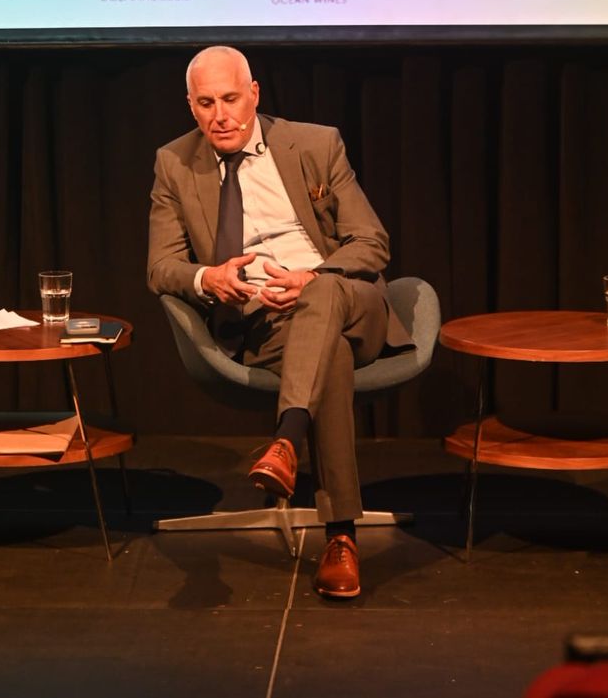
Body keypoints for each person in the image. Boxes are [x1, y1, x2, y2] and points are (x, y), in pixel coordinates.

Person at [147, 46, 412, 599]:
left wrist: (312, 277)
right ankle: (340, 536)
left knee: (323, 292)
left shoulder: (314, 144)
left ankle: (287, 438)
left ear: (254, 95)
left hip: (350, 301)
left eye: (230, 99)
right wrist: (208, 278)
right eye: (206, 104)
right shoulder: (174, 162)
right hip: (264, 324)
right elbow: (162, 266)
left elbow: (371, 241)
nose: (221, 116)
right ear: (191, 106)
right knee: (329, 354)